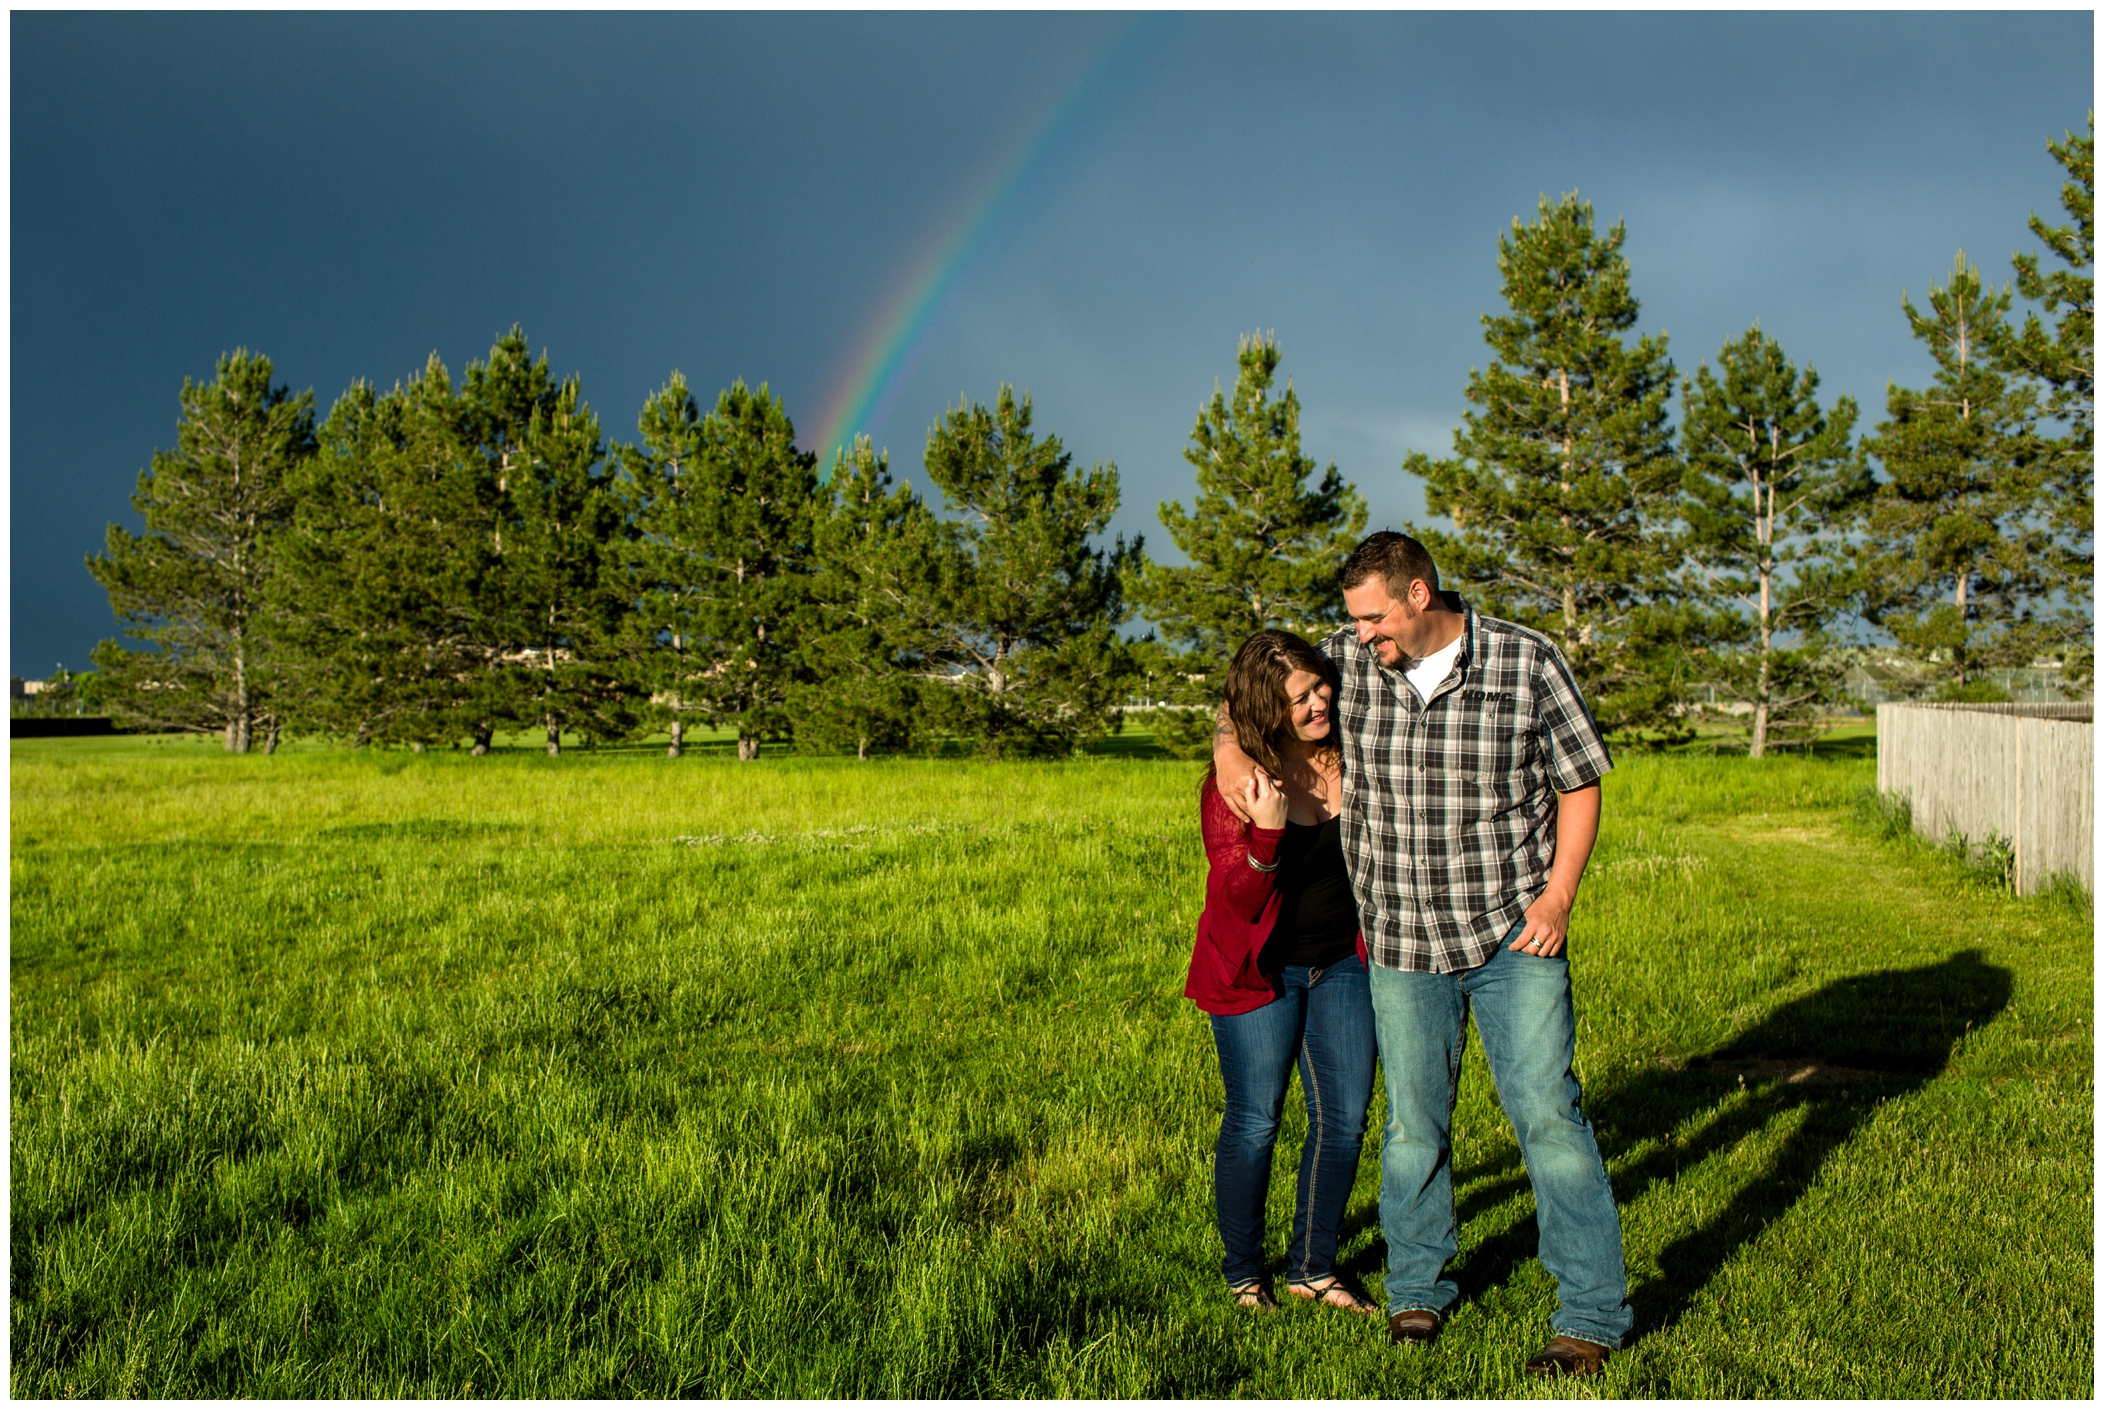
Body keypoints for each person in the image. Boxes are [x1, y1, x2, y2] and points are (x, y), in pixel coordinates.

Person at [1214, 532, 1630, 1378]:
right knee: (1413, 1131)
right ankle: (1416, 1293)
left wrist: (1559, 895)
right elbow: (1249, 695)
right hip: (1400, 944)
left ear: (1419, 593)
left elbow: (1581, 780)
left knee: (1549, 1119)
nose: (1361, 637)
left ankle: (1588, 1314)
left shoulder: (1526, 662)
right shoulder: (1352, 658)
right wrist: (1228, 747)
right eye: (1354, 623)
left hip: (1515, 935)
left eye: (1373, 618)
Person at [1184, 629, 1380, 1316]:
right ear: (1269, 708)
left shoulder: (1350, 751)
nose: (1320, 700)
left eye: (1322, 685)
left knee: (1345, 1119)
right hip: (1257, 973)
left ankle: (1313, 1265)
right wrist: (1268, 831)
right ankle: (1245, 1274)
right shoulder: (1239, 783)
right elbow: (1238, 896)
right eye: (1300, 697)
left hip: (1343, 965)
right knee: (1256, 1122)